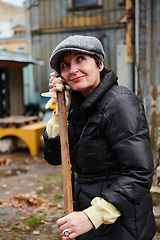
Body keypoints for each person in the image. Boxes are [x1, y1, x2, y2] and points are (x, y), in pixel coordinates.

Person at [42, 35, 156, 240]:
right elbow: (54, 156)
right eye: (65, 65)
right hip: (91, 219)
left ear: (100, 63)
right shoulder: (79, 106)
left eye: (80, 59)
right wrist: (60, 108)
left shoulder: (119, 103)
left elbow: (139, 173)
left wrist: (91, 216)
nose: (73, 69)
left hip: (121, 223)